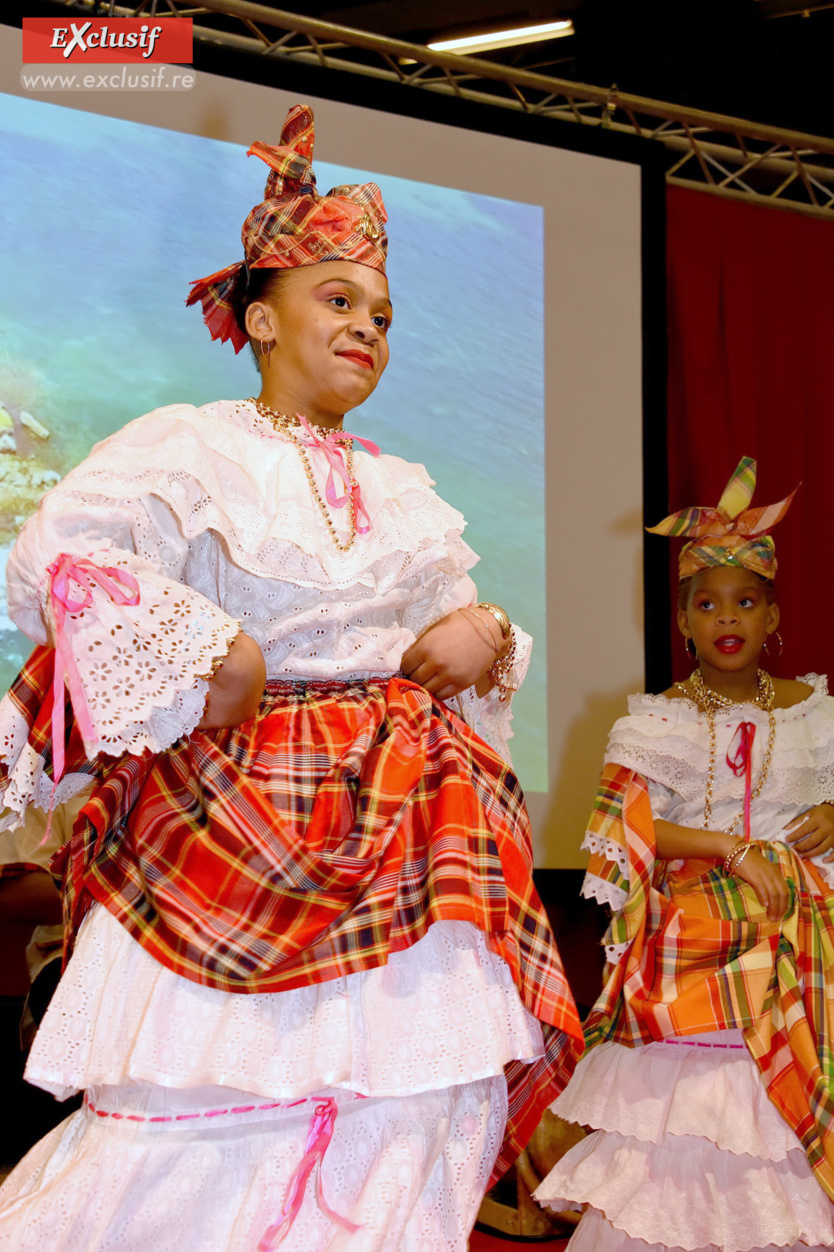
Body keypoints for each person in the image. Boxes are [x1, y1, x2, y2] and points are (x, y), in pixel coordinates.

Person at [0, 104, 580, 1251]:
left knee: (411, 1104)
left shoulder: (406, 488)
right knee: (199, 1120)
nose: (367, 326)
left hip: (409, 820)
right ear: (259, 317)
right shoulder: (192, 445)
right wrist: (203, 643)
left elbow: (446, 634)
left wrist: (488, 631)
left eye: (382, 313)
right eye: (337, 299)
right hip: (231, 812)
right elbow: (56, 555)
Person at [535, 456, 834, 1252]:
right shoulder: (653, 721)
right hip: (696, 926)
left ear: (772, 615)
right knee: (686, 1117)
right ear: (683, 619)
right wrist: (732, 849)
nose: (726, 618)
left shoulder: (816, 709)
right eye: (707, 603)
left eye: (745, 602)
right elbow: (621, 825)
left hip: (805, 921)